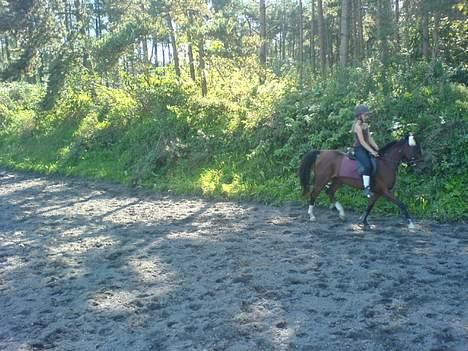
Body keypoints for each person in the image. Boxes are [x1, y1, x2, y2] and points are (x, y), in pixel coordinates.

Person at [352, 104, 380, 198]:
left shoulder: (365, 125)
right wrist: (372, 151)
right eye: (365, 115)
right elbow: (362, 142)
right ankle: (366, 188)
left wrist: (376, 147)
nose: (367, 117)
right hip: (359, 149)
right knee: (367, 165)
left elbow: (369, 137)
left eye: (367, 115)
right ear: (359, 116)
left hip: (366, 148)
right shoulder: (357, 126)